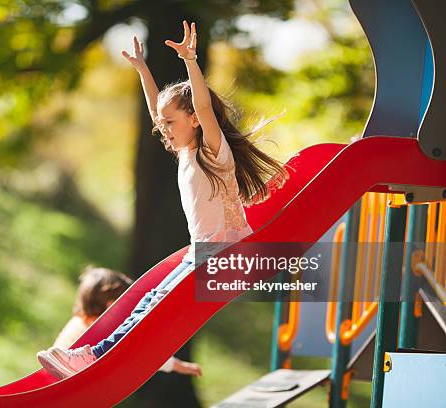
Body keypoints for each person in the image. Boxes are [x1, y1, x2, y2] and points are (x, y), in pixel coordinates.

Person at [38, 20, 288, 380]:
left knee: (154, 304)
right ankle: (93, 354)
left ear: (194, 121)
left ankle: (94, 356)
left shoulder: (212, 153)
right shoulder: (186, 152)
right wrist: (143, 69)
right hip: (204, 252)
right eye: (163, 124)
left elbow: (202, 105)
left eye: (171, 123)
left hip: (226, 254)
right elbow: (159, 108)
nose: (164, 129)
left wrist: (190, 60)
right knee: (147, 300)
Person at [46, 266, 202, 377]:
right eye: (126, 302)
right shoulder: (104, 329)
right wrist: (179, 366)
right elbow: (142, 353)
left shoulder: (77, 321)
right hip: (79, 378)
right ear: (111, 303)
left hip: (58, 375)